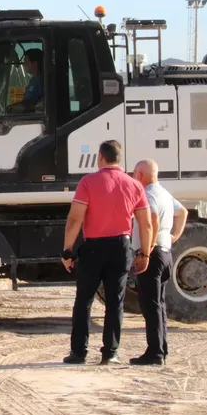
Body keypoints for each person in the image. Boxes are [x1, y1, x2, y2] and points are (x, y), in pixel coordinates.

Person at [60, 140, 152, 365]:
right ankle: (110, 353)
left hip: (93, 247)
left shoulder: (88, 182)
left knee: (84, 300)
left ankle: (79, 352)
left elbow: (75, 219)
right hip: (122, 246)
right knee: (115, 301)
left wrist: (67, 251)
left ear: (100, 157)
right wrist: (145, 253)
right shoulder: (134, 185)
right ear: (119, 159)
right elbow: (146, 223)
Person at [129, 159, 188, 365]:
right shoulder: (163, 192)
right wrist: (173, 236)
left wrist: (146, 251)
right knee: (159, 304)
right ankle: (161, 349)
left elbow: (152, 220)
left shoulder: (147, 194)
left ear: (140, 175)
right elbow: (182, 212)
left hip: (152, 255)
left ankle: (155, 353)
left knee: (150, 305)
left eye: (134, 173)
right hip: (166, 253)